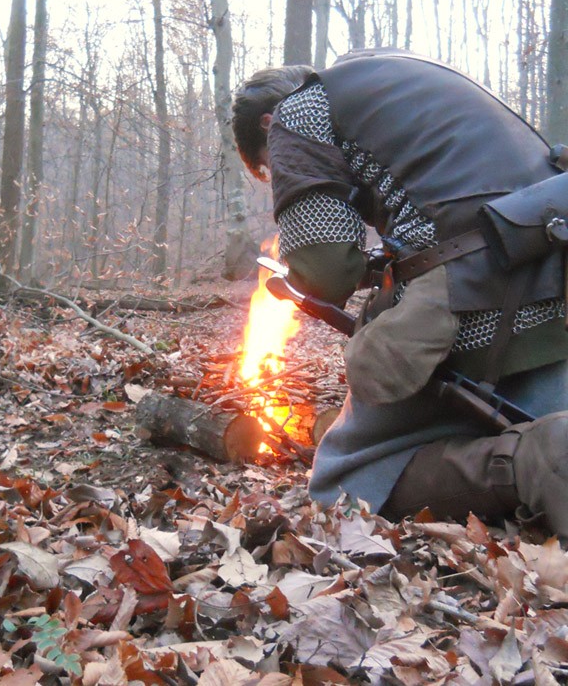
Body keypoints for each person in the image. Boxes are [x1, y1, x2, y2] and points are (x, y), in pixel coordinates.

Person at [232, 49, 568, 540]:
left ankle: (530, 462)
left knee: (340, 481)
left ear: (267, 125)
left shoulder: (297, 113)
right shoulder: (398, 76)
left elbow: (326, 271)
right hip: (551, 278)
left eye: (269, 166)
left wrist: (304, 271)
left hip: (471, 292)